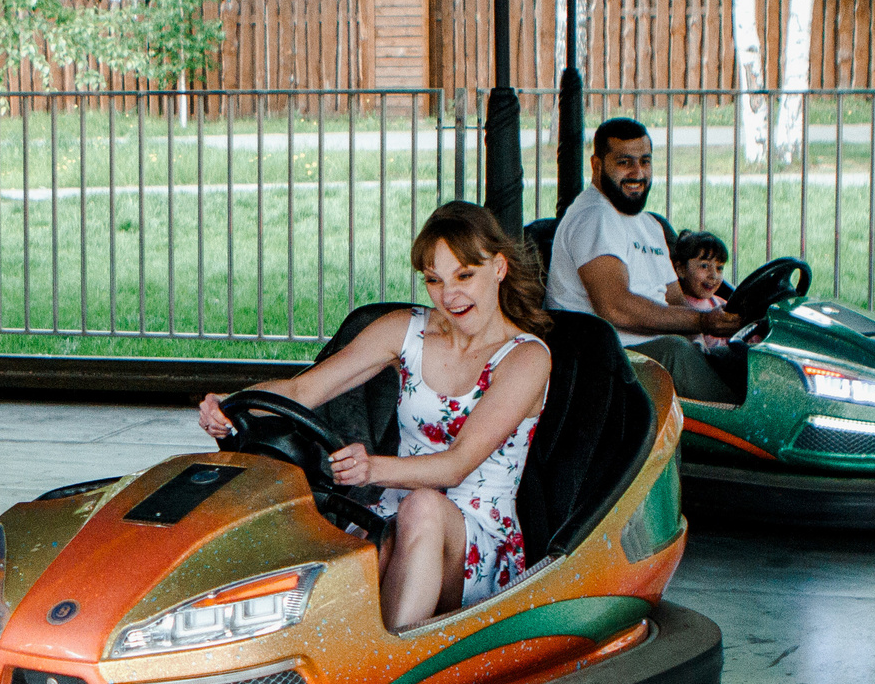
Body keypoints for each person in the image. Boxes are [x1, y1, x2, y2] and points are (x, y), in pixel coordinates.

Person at [199, 202, 552, 632]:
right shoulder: (408, 330)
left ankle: (389, 672)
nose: (449, 296)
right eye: (434, 280)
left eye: (464, 276)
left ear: (498, 268)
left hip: (475, 538)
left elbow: (458, 464)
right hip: (391, 515)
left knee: (422, 507)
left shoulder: (526, 358)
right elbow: (303, 390)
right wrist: (233, 403)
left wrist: (371, 468)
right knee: (321, 551)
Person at [545, 117, 744, 402]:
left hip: (653, 350)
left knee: (743, 358)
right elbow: (615, 308)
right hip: (604, 361)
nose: (638, 173)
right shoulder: (593, 217)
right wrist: (701, 321)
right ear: (597, 165)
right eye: (625, 162)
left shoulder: (649, 224)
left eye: (645, 161)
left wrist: (705, 333)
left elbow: (675, 299)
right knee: (678, 355)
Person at [668, 228, 732, 353]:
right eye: (704, 266)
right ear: (681, 269)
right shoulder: (676, 309)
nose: (713, 275)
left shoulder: (720, 304)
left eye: (719, 268)